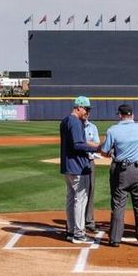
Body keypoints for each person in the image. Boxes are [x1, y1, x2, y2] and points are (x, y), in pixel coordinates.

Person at [98, 103, 138, 247]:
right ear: (132, 115)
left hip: (121, 171)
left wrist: (114, 152)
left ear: (119, 115)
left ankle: (115, 239)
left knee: (118, 204)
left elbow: (104, 152)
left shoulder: (113, 130)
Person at [58, 96, 99, 243]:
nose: (87, 112)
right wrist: (98, 149)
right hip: (77, 167)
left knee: (71, 198)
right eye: (86, 109)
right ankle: (79, 233)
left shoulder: (65, 120)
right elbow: (78, 144)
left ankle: (70, 230)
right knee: (80, 200)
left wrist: (94, 146)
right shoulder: (75, 122)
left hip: (68, 166)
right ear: (78, 107)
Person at [83, 115, 101, 234]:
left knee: (90, 190)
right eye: (85, 109)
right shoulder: (74, 126)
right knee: (77, 193)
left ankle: (89, 222)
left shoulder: (92, 127)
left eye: (88, 110)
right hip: (77, 161)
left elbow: (97, 145)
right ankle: (77, 222)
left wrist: (85, 143)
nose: (87, 113)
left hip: (89, 161)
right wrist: (89, 144)